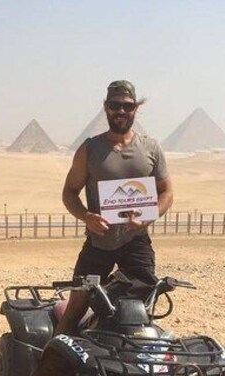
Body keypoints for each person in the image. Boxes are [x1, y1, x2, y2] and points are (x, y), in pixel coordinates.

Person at [56, 80, 173, 335]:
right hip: (99, 242)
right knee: (77, 305)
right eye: (114, 105)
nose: (121, 111)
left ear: (136, 109)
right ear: (105, 108)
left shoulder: (151, 148)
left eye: (127, 106)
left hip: (137, 242)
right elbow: (69, 192)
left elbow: (167, 192)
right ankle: (47, 368)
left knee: (139, 312)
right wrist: (86, 216)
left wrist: (148, 216)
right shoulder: (90, 149)